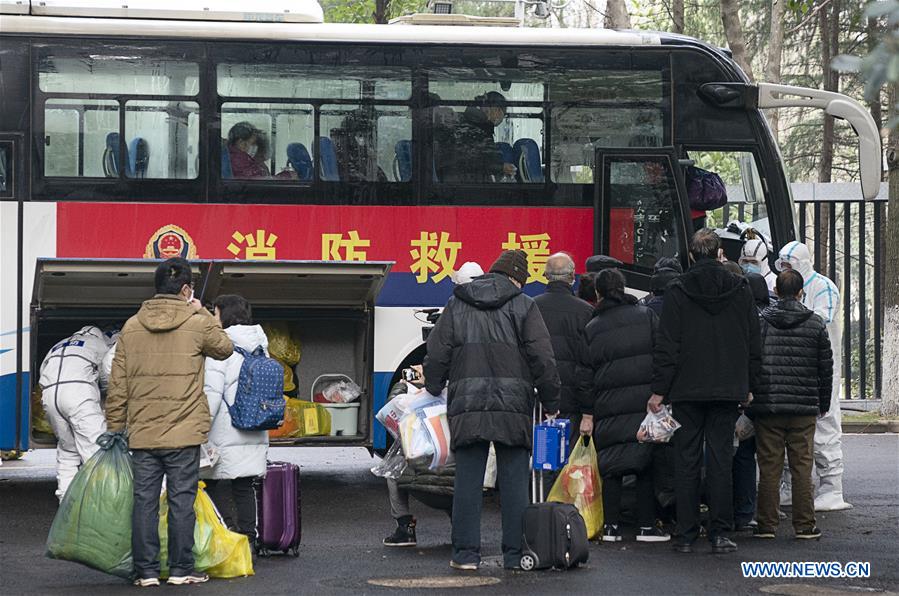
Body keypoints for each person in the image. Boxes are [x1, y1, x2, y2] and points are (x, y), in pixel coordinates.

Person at [424, 249, 561, 570]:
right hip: (513, 405)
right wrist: (553, 402)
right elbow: (543, 358)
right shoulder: (525, 306)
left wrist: (432, 386)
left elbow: (437, 351)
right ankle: (514, 556)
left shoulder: (457, 304)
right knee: (514, 483)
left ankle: (465, 555)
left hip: (468, 403)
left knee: (468, 482)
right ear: (517, 279)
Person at [106, 257, 233, 587]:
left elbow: (117, 384)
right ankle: (181, 569)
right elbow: (225, 348)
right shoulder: (196, 321)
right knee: (181, 502)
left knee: (144, 504)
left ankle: (146, 572)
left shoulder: (132, 326)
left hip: (144, 435)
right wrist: (202, 309)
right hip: (184, 432)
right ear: (186, 288)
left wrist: (115, 428)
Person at [650, 228, 761, 554]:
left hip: (686, 389)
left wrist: (659, 390)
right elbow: (752, 341)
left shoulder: (678, 290)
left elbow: (667, 346)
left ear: (692, 256)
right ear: (718, 254)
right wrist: (750, 385)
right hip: (727, 387)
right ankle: (721, 533)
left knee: (684, 461)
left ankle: (685, 534)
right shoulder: (740, 289)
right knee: (721, 460)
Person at [583, 268, 669, 543]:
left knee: (611, 466)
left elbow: (585, 376)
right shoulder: (646, 316)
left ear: (598, 293)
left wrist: (588, 413)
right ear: (623, 289)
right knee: (645, 463)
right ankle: (646, 526)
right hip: (646, 403)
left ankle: (610, 527)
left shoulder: (592, 328)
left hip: (607, 405)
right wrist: (660, 392)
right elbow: (662, 357)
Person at [751, 270, 833, 540]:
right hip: (803, 408)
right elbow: (825, 368)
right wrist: (823, 402)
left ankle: (766, 524)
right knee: (801, 467)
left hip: (769, 407)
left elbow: (752, 362)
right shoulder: (816, 325)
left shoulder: (761, 322)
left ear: (776, 290)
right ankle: (804, 525)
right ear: (801, 292)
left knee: (769, 467)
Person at [774, 241, 850, 512]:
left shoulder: (824, 287)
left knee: (824, 426)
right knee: (787, 430)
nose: (783, 270)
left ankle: (832, 488)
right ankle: (790, 486)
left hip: (820, 367)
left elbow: (820, 321)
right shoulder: (785, 288)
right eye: (781, 265)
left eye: (788, 266)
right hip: (793, 369)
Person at [201, 294, 269, 542]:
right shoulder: (260, 344)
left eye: (215, 313)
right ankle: (249, 539)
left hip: (225, 428)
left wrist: (201, 428)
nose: (213, 318)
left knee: (210, 483)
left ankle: (228, 534)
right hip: (254, 424)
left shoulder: (222, 347)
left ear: (225, 315)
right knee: (243, 486)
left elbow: (212, 392)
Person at [38, 326, 117, 501]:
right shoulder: (96, 343)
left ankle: (66, 503)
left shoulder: (58, 345)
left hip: (50, 397)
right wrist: (105, 390)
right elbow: (107, 369)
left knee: (67, 450)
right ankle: (102, 503)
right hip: (79, 394)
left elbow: (43, 371)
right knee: (96, 450)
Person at [534, 253, 593, 437]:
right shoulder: (586, 311)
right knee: (570, 458)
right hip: (573, 397)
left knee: (540, 455)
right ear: (572, 277)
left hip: (538, 396)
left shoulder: (531, 307)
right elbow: (588, 361)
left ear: (546, 276)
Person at [440, 91, 515, 183]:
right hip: (460, 184)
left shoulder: (470, 120)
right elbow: (472, 156)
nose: (502, 118)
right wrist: (500, 167)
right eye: (504, 113)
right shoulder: (478, 126)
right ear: (497, 110)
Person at [226, 122, 295, 180]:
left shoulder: (243, 159)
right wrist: (287, 176)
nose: (255, 147)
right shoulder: (238, 160)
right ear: (241, 143)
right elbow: (259, 182)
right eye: (253, 143)